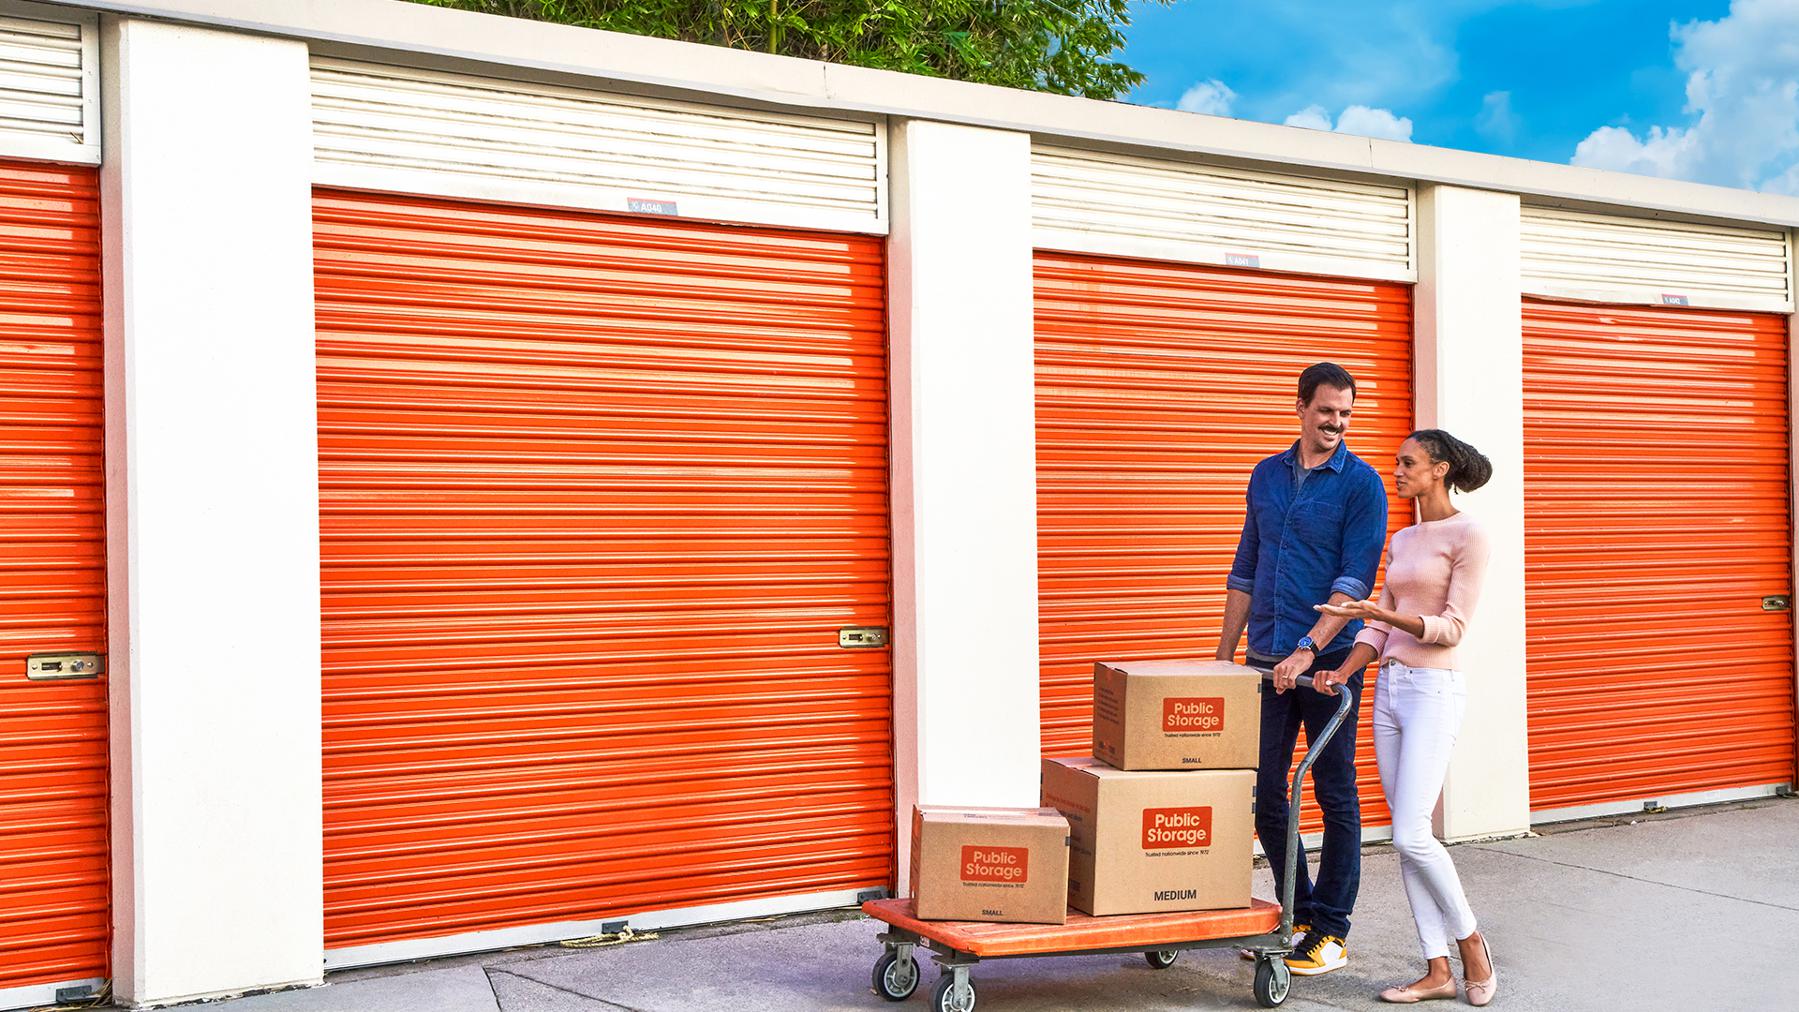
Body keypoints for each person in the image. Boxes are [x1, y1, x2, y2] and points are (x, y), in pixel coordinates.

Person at [1314, 429, 1499, 1006]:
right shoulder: (1403, 538)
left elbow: (1452, 629)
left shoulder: (1469, 534)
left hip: (1434, 690)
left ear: (1439, 469)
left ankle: (1471, 943)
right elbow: (1378, 624)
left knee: (1411, 833)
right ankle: (1437, 968)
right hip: (1390, 690)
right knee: (1407, 836)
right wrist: (1342, 671)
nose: (1396, 471)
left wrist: (1382, 613)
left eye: (1408, 463)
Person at [1217, 362, 1388, 977]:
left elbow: (1354, 582)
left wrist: (1309, 649)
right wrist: (1223, 655)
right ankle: (1297, 913)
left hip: (1327, 666)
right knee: (1265, 789)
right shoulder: (1266, 475)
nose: (1337, 423)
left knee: (1333, 788)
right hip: (1265, 659)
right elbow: (1246, 566)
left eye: (1345, 414)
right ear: (1300, 407)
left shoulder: (1363, 486)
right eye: (1326, 411)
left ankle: (1332, 929)